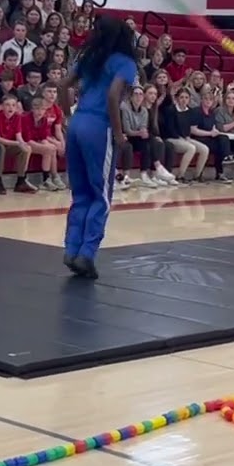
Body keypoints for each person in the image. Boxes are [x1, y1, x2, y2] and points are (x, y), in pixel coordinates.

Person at [60, 15, 138, 279]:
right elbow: (114, 95)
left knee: (80, 193)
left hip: (77, 122)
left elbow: (62, 85)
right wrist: (118, 133)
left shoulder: (89, 56)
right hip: (99, 127)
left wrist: (67, 116)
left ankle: (71, 249)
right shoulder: (125, 63)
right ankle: (87, 254)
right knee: (101, 196)